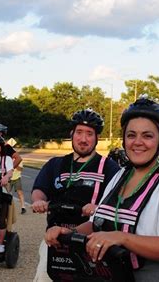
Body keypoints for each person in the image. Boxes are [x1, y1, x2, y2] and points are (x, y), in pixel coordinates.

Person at [45, 96, 159, 281]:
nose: (137, 142)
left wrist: (121, 237)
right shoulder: (120, 176)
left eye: (147, 135)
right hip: (122, 274)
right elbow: (97, 223)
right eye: (131, 135)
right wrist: (70, 233)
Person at [32, 108, 120, 282]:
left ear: (96, 138)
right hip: (56, 238)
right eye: (79, 132)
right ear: (72, 134)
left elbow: (119, 201)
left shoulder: (109, 167)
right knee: (44, 276)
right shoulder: (55, 164)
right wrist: (39, 201)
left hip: (91, 241)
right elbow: (39, 188)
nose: (83, 139)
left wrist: (99, 208)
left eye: (89, 133)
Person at [0, 123, 24, 214]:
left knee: (5, 207)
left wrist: (9, 170)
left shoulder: (6, 147)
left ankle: (6, 227)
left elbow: (18, 158)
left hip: (4, 181)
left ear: (0, 133)